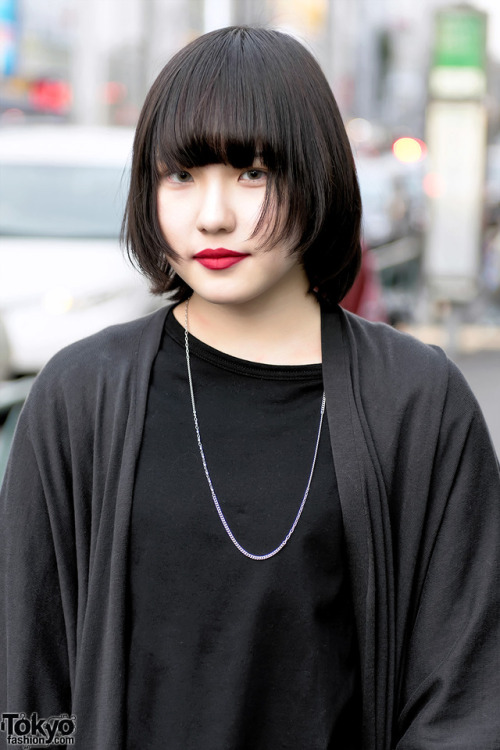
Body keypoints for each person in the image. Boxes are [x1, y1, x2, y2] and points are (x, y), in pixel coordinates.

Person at [1, 25, 499, 750]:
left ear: (317, 174)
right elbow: (27, 683)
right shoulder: (80, 396)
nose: (213, 215)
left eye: (253, 173)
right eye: (181, 176)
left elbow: (467, 696)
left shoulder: (419, 403)